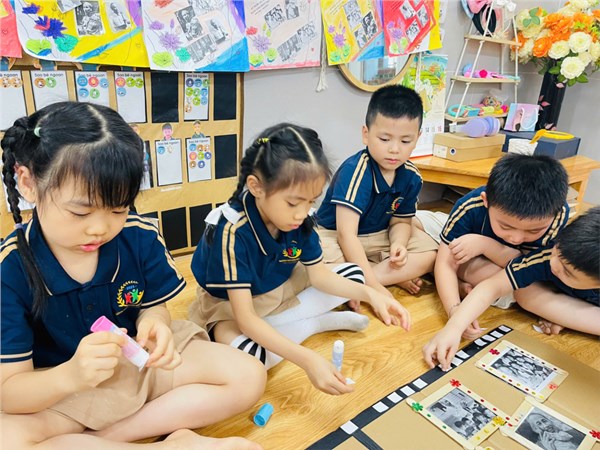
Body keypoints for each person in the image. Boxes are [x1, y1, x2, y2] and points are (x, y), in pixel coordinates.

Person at [1, 102, 266, 450]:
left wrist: (154, 323)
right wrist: (71, 375)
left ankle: (105, 440)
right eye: (80, 211)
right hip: (65, 388)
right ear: (28, 183)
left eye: (118, 209)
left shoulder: (139, 235)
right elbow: (9, 390)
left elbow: (153, 307)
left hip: (139, 364)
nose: (99, 228)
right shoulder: (10, 269)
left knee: (248, 375)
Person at [189, 123, 410, 396]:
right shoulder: (232, 232)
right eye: (293, 203)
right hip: (232, 305)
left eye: (311, 201)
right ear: (256, 187)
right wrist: (308, 360)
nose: (302, 213)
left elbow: (319, 275)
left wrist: (371, 294)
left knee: (355, 274)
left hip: (280, 286)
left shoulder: (301, 219)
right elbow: (245, 318)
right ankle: (313, 324)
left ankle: (285, 328)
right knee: (247, 357)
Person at [424, 206, 599, 370]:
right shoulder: (547, 258)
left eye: (567, 272)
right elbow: (492, 286)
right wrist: (454, 327)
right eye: (557, 251)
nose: (554, 264)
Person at [316, 85, 439, 298]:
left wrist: (398, 244)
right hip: (336, 235)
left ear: (417, 138)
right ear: (366, 134)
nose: (394, 149)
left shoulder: (411, 176)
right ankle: (377, 278)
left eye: (405, 141)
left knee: (431, 252)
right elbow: (346, 235)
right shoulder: (355, 171)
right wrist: (376, 288)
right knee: (314, 260)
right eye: (384, 139)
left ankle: (358, 280)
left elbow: (401, 222)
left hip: (379, 235)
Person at [432, 153, 570, 341]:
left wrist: (486, 245)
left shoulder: (557, 217)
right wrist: (454, 309)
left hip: (515, 270)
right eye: (506, 226)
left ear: (556, 213)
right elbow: (445, 262)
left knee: (526, 286)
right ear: (486, 200)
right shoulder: (470, 206)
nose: (516, 237)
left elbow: (529, 269)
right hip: (478, 259)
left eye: (534, 230)